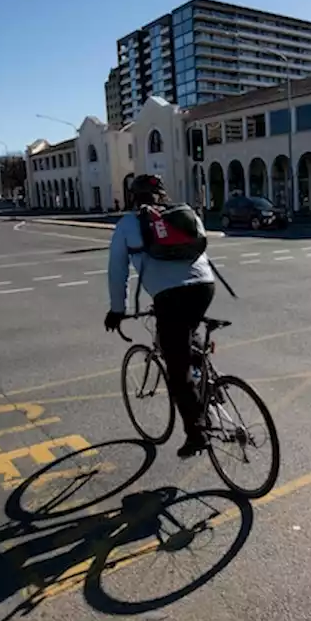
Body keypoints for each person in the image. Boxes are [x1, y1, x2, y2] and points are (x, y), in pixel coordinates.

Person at [104, 175, 217, 458]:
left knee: (176, 369)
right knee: (185, 338)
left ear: (133, 197)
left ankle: (197, 433)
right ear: (163, 194)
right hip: (205, 286)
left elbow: (117, 272)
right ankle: (206, 386)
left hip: (170, 296)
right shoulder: (184, 213)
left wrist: (118, 310)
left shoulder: (128, 224)